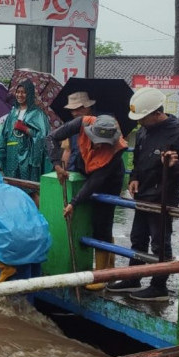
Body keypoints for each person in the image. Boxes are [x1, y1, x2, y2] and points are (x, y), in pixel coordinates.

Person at [106, 87, 179, 301]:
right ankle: (134, 277)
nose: (140, 122)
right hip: (143, 193)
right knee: (138, 237)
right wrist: (134, 178)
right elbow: (138, 159)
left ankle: (159, 286)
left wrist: (173, 165)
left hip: (163, 194)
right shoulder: (144, 131)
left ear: (157, 113)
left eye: (143, 118)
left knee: (160, 242)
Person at [47, 114, 128, 290]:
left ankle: (101, 276)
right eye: (96, 140)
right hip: (85, 168)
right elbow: (52, 137)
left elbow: (96, 182)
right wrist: (57, 165)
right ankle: (109, 265)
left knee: (102, 220)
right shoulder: (81, 122)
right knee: (92, 221)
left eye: (103, 143)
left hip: (109, 180)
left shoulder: (116, 150)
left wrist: (73, 203)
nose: (98, 145)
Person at [59, 91, 97, 172]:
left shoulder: (100, 124)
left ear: (87, 107)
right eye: (72, 110)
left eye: (78, 109)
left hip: (94, 172)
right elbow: (67, 151)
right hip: (73, 171)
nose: (74, 113)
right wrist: (63, 170)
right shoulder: (70, 126)